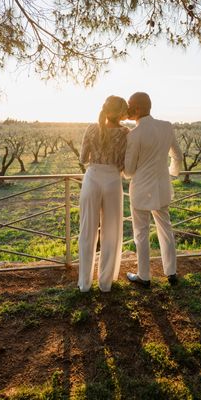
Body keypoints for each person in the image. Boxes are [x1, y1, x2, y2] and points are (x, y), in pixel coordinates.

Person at [123, 92, 183, 287]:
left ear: (138, 108)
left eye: (130, 105)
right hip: (162, 186)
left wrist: (125, 171)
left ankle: (144, 276)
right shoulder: (166, 126)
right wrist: (171, 173)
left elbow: (130, 171)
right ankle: (171, 272)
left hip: (140, 188)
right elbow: (178, 155)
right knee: (166, 229)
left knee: (140, 233)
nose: (128, 108)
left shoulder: (135, 134)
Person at [77, 95, 129, 292]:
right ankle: (105, 283)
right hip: (113, 180)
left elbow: (83, 158)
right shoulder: (126, 134)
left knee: (87, 230)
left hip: (92, 178)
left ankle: (84, 284)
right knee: (111, 231)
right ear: (122, 114)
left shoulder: (91, 129)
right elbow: (125, 165)